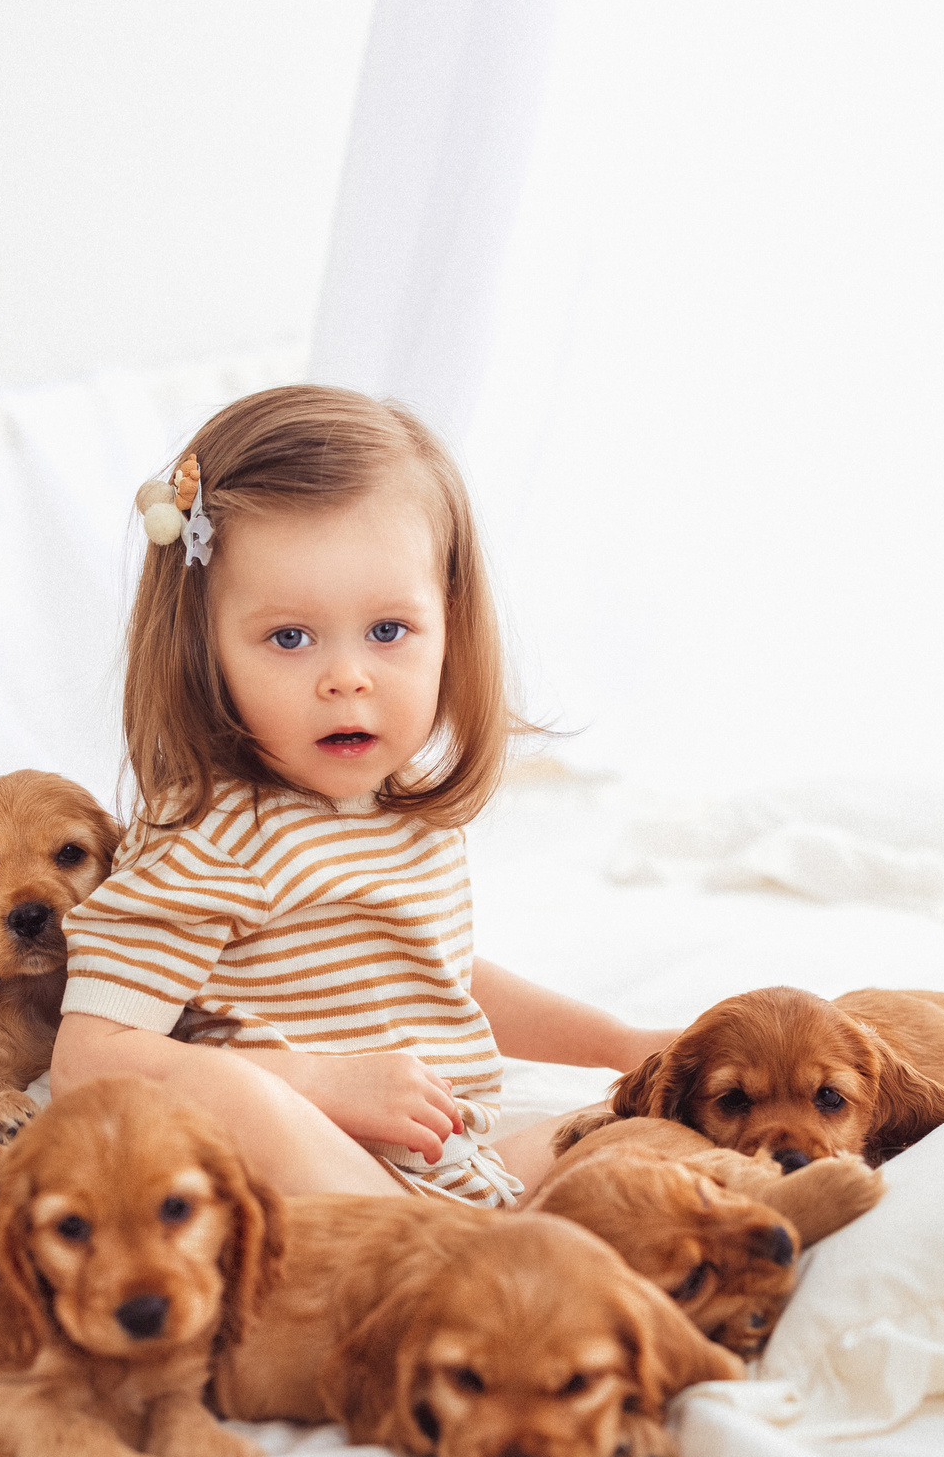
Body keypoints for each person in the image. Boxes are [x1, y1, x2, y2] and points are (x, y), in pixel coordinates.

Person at [49, 384, 671, 1201]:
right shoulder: (213, 836)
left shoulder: (401, 815)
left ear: (449, 625)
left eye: (387, 631)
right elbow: (89, 1059)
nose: (347, 678)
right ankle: (446, 1258)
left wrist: (623, 1046)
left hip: (455, 1171)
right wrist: (314, 1084)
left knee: (667, 1114)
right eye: (290, 637)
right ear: (204, 650)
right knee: (233, 1089)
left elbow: (435, 972)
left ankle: (489, 1242)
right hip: (313, 1185)